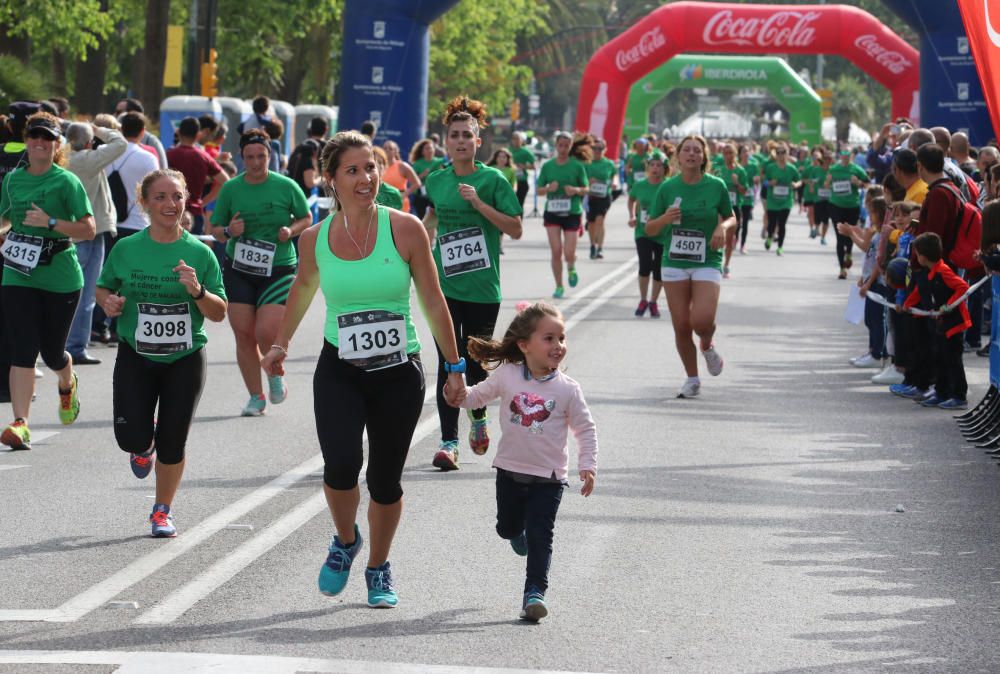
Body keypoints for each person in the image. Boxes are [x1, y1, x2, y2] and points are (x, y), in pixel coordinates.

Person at [260, 131, 467, 609]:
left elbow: (434, 302)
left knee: (386, 479)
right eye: (352, 170)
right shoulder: (314, 239)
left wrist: (454, 366)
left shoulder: (407, 229)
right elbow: (302, 292)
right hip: (341, 368)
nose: (366, 178)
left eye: (371, 167)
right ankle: (345, 539)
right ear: (330, 179)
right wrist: (279, 344)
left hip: (399, 370)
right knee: (339, 468)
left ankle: (377, 565)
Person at [95, 169, 227, 537]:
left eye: (177, 196)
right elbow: (103, 289)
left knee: (174, 439)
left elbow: (219, 312)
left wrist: (199, 292)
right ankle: (142, 444)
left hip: (184, 358)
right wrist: (111, 304)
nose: (171, 204)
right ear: (145, 203)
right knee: (130, 437)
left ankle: (162, 510)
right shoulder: (127, 248)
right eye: (160, 197)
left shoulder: (199, 253)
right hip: (137, 354)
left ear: (186, 200)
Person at [447, 302, 597, 622]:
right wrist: (458, 395)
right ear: (524, 345)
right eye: (549, 338)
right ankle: (516, 532)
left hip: (549, 476)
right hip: (510, 470)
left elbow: (585, 428)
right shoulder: (508, 375)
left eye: (561, 338)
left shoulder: (568, 389)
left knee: (542, 535)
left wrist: (588, 464)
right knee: (507, 527)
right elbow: (477, 397)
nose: (558, 346)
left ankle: (534, 593)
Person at [422, 96, 523, 471]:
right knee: (449, 362)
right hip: (444, 286)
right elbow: (429, 222)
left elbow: (514, 228)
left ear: (478, 142)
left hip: (482, 287)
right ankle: (449, 444)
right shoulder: (436, 180)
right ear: (445, 141)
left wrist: (480, 205)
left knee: (477, 361)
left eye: (468, 135)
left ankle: (477, 415)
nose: (461, 140)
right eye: (455, 135)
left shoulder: (492, 180)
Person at [0, 112, 95, 450]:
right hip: (18, 273)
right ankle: (21, 422)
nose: (40, 142)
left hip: (60, 274)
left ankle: (67, 383)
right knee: (22, 348)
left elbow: (88, 229)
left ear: (57, 145)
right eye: (34, 136)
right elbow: (4, 220)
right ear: (26, 141)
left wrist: (50, 222)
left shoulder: (66, 182)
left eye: (47, 138)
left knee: (54, 353)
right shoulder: (12, 181)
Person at [210, 129, 311, 417]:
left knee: (266, 332)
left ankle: (275, 372)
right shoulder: (231, 189)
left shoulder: (286, 185)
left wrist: (289, 230)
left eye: (262, 156)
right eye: (250, 157)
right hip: (240, 268)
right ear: (242, 158)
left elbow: (306, 217)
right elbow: (215, 230)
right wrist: (230, 231)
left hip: (278, 267)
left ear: (271, 155)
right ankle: (256, 397)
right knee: (244, 335)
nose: (256, 163)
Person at [645, 134, 735, 399]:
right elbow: (649, 228)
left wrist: (722, 226)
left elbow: (731, 217)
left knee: (702, 321)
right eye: (687, 150)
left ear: (704, 157)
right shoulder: (667, 188)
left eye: (697, 150)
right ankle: (692, 378)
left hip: (707, 259)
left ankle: (707, 346)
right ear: (678, 156)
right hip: (674, 261)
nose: (692, 154)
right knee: (682, 325)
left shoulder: (716, 185)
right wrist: (665, 218)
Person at [65, 122, 127, 365]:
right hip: (90, 232)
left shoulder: (64, 157)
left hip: (68, 231)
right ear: (90, 142)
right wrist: (98, 127)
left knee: (67, 291)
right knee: (87, 293)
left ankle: (62, 343)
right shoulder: (88, 159)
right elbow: (120, 143)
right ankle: (76, 347)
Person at [902, 232, 970, 409]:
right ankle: (942, 391)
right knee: (940, 357)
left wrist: (948, 305)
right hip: (942, 325)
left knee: (953, 360)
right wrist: (906, 305)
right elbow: (919, 292)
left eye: (917, 254)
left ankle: (959, 396)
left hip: (954, 324)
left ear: (923, 256)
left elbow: (963, 287)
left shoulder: (943, 271)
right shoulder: (929, 273)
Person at [537, 132, 590, 298]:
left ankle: (571, 267)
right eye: (560, 145)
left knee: (568, 252)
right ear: (556, 145)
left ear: (571, 146)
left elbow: (586, 188)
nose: (563, 149)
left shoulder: (577, 166)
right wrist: (548, 189)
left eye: (567, 146)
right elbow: (539, 190)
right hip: (552, 212)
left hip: (572, 212)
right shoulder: (548, 166)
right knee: (556, 251)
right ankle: (559, 285)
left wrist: (575, 190)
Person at [166, 117, 228, 235]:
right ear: (197, 135)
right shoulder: (204, 157)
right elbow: (225, 181)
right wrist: (204, 201)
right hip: (195, 212)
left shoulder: (168, 155)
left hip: (171, 211)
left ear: (178, 132)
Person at [627, 150, 666, 317]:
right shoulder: (640, 185)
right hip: (642, 231)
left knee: (658, 269)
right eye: (652, 165)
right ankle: (643, 299)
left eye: (659, 165)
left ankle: (654, 301)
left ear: (665, 168)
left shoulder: (668, 186)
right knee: (645, 265)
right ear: (647, 167)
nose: (655, 168)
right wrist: (631, 216)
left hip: (662, 233)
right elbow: (631, 199)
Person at [827, 148, 870, 279]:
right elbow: (826, 185)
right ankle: (842, 269)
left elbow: (868, 184)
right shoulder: (833, 169)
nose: (845, 158)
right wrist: (827, 182)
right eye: (843, 156)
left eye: (847, 156)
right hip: (836, 205)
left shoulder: (857, 169)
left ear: (851, 156)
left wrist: (859, 183)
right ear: (840, 156)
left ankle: (849, 253)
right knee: (840, 237)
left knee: (850, 233)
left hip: (852, 206)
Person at [287, 117, 328, 221]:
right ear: (326, 129)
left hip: (295, 197)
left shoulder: (300, 147)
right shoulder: (327, 148)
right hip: (318, 199)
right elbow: (310, 182)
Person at [763, 142, 800, 256]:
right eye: (778, 153)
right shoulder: (770, 168)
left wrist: (795, 185)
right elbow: (764, 183)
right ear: (776, 155)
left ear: (787, 154)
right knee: (772, 223)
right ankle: (769, 236)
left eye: (783, 152)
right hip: (772, 201)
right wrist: (770, 183)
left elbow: (799, 181)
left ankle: (780, 247)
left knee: (782, 224)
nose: (781, 155)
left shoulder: (792, 168)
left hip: (786, 201)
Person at [584, 137, 617, 260]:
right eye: (594, 148)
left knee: (600, 220)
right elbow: (581, 179)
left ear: (604, 149)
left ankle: (600, 248)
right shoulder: (586, 163)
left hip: (604, 196)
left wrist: (614, 183)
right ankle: (592, 245)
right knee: (591, 223)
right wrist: (588, 182)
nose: (597, 151)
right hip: (590, 196)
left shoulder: (608, 163)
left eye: (600, 148)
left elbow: (614, 176)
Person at [717, 143, 746, 278]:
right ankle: (716, 262)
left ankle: (726, 265)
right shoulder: (719, 171)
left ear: (735, 154)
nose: (728, 156)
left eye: (730, 153)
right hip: (718, 208)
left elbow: (744, 191)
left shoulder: (740, 171)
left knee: (729, 239)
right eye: (725, 153)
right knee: (718, 236)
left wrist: (736, 183)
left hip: (734, 208)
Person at [113, 98, 168, 168]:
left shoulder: (150, 140)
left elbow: (162, 168)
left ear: (133, 114)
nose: (114, 115)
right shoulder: (113, 137)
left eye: (118, 112)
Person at [409, 138, 444, 220]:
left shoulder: (439, 162)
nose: (430, 150)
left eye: (431, 148)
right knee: (423, 220)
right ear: (422, 152)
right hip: (420, 196)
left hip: (434, 196)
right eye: (427, 148)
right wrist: (422, 175)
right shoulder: (417, 164)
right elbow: (412, 180)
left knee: (434, 221)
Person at [381, 140, 420, 213]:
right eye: (385, 148)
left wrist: (404, 194)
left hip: (400, 203)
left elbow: (417, 183)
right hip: (384, 203)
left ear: (395, 151)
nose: (387, 150)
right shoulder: (380, 167)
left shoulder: (402, 166)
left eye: (390, 148)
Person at [736, 144, 758, 255]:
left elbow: (757, 180)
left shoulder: (753, 166)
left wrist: (756, 180)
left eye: (748, 151)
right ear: (739, 154)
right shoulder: (736, 166)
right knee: (737, 222)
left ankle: (743, 244)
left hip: (748, 198)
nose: (746, 153)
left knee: (745, 223)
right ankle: (735, 238)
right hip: (737, 198)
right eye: (744, 151)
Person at [509, 132, 535, 209]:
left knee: (519, 205)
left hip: (522, 181)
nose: (516, 141)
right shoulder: (508, 151)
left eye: (518, 139)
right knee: (509, 204)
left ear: (521, 140)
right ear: (512, 140)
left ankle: (519, 220)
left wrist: (524, 166)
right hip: (510, 181)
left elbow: (534, 166)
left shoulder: (526, 152)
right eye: (514, 139)